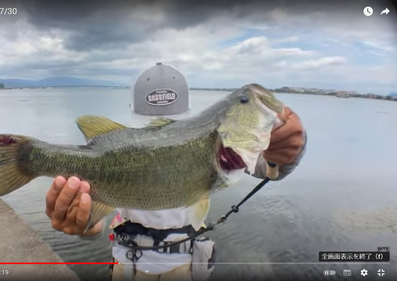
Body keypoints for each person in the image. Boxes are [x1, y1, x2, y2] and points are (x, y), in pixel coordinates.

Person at [45, 105, 307, 281]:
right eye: (153, 128)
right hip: (126, 265)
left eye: (172, 126)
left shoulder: (222, 149)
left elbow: (272, 168)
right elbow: (92, 223)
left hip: (185, 266)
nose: (163, 137)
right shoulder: (120, 154)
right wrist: (84, 227)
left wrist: (291, 149)